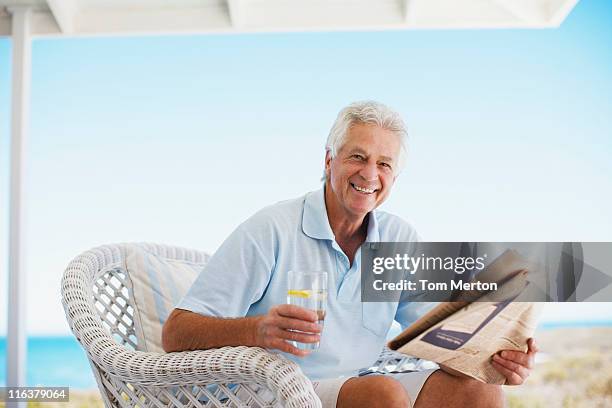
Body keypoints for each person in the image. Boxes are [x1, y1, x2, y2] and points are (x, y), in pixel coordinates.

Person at [162, 101, 538, 407]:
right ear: (329, 162)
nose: (370, 173)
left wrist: (499, 360)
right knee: (381, 393)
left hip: (355, 390)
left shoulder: (397, 239)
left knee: (480, 392)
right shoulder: (272, 228)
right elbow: (176, 332)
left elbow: (444, 343)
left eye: (384, 163)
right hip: (272, 394)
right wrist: (257, 329)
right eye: (357, 157)